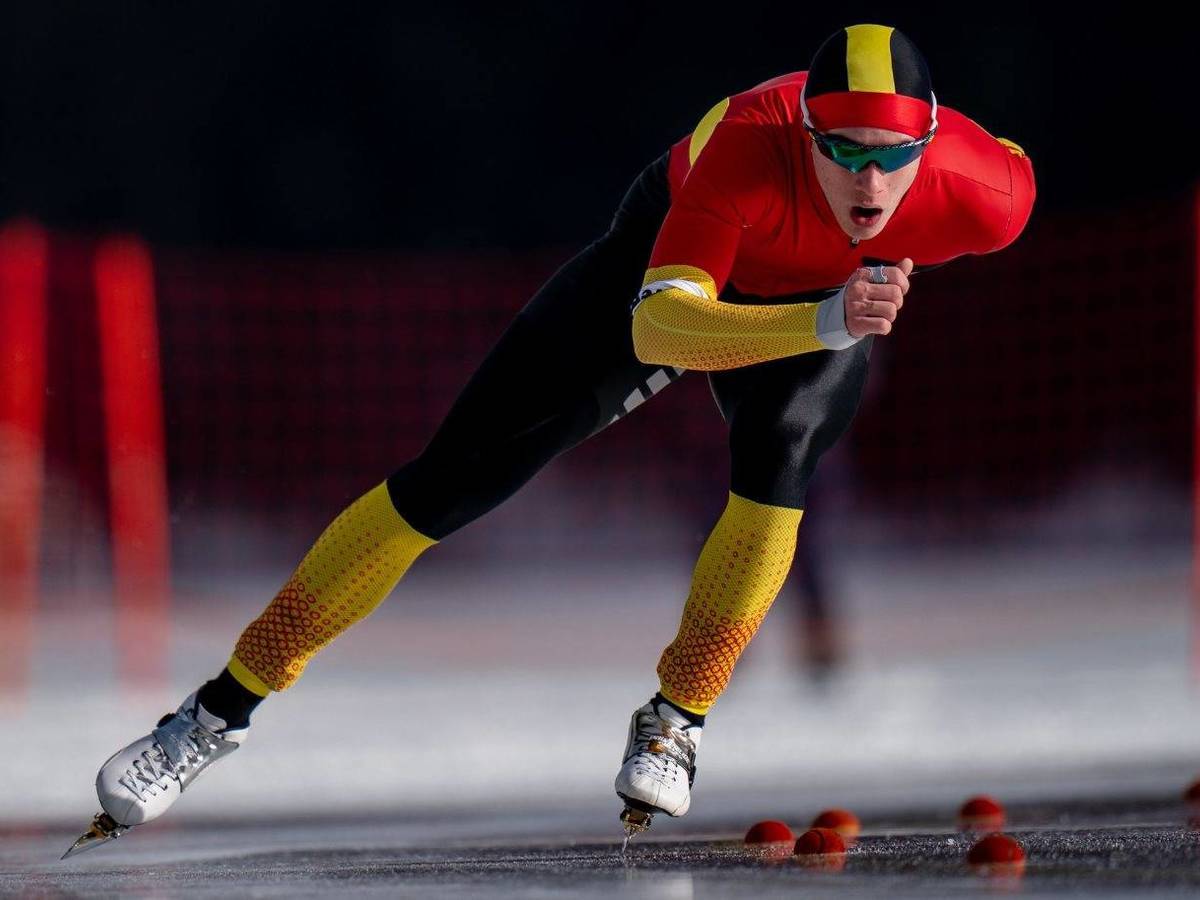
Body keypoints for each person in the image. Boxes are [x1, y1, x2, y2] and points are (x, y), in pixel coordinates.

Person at [65, 22, 1034, 855]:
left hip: (820, 307)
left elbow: (1016, 163)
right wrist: (830, 320)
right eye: (844, 152)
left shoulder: (986, 198)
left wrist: (834, 312)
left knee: (778, 467)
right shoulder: (747, 151)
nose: (868, 182)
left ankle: (677, 718)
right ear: (806, 135)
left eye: (892, 157)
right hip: (671, 270)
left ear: (934, 146)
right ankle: (214, 713)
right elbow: (660, 330)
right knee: (447, 484)